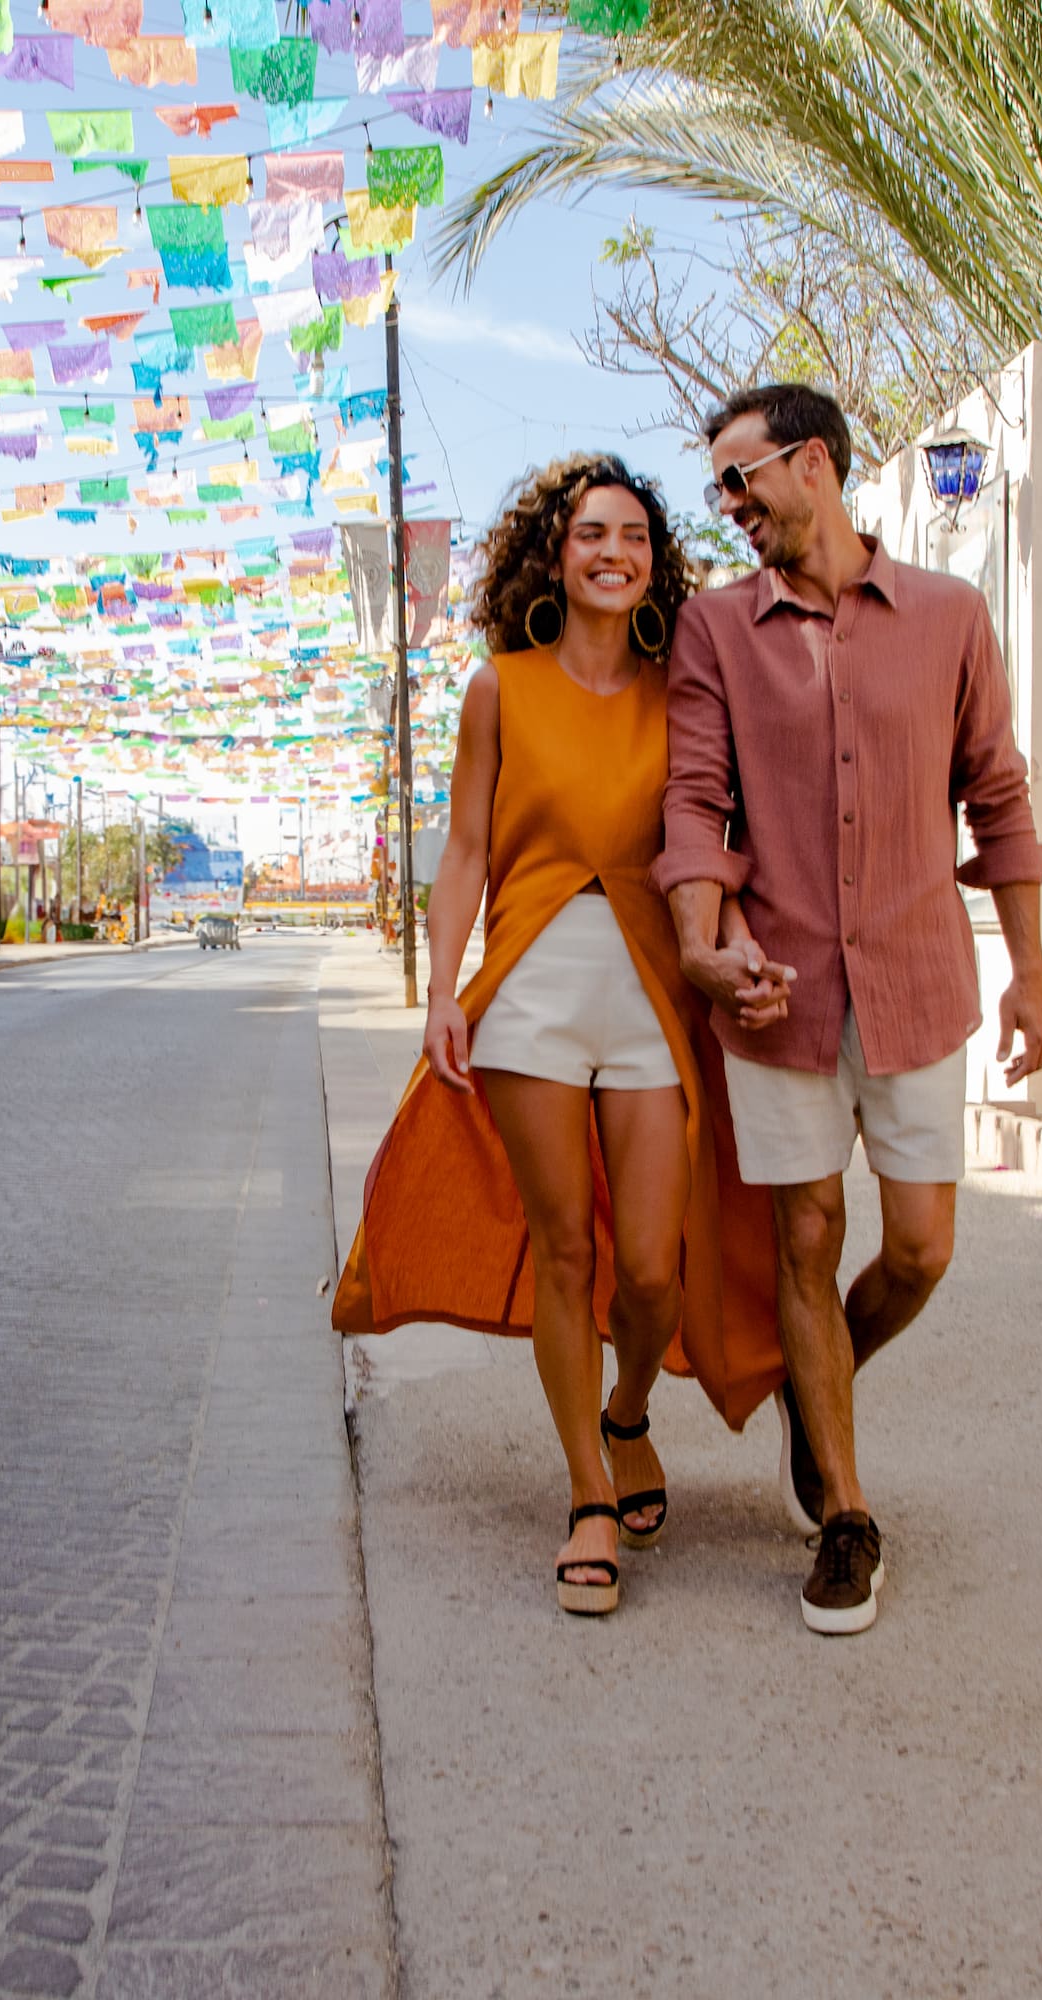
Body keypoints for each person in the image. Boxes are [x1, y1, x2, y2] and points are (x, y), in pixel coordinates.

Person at [334, 454, 781, 1618]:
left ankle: (629, 1407)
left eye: (634, 535)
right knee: (565, 1253)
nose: (614, 552)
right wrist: (445, 987)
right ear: (556, 549)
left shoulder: (682, 687)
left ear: (654, 558)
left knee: (648, 1265)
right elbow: (469, 852)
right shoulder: (500, 687)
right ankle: (588, 1485)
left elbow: (716, 831)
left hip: (650, 991)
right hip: (529, 989)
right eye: (592, 533)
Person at [655, 383, 1042, 1637]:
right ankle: (845, 1515)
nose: (728, 506)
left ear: (813, 464)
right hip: (775, 994)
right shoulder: (717, 629)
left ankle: (810, 1384)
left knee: (923, 1248)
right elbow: (695, 804)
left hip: (920, 980)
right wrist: (705, 950)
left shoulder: (950, 615)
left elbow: (998, 793)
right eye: (718, 485)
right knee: (807, 1241)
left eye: (740, 478)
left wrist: (1033, 972)